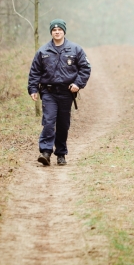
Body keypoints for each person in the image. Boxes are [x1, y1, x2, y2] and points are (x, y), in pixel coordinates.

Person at [28, 19, 92, 166]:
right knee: (49, 121)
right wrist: (33, 89)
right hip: (48, 92)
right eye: (54, 30)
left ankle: (61, 153)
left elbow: (85, 68)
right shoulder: (43, 51)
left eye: (59, 30)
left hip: (66, 93)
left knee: (63, 124)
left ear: (64, 31)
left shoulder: (75, 49)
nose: (57, 32)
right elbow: (35, 72)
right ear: (51, 32)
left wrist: (78, 84)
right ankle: (45, 152)